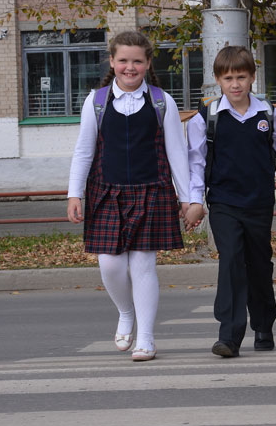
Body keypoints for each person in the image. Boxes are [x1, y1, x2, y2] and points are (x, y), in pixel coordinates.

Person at [185, 46, 276, 358]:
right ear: (217, 81)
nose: (235, 84)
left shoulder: (266, 113)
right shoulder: (206, 117)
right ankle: (230, 335)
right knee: (232, 261)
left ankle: (264, 324)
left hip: (259, 203)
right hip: (223, 202)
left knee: (259, 266)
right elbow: (195, 164)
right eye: (228, 78)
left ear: (252, 78)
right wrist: (195, 200)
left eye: (241, 77)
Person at [67, 30, 192, 362]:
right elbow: (83, 151)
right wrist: (74, 194)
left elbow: (177, 153)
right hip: (105, 192)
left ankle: (146, 339)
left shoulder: (161, 100)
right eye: (123, 60)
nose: (130, 67)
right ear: (112, 61)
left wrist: (189, 197)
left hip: (152, 190)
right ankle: (125, 312)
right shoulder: (96, 101)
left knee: (143, 267)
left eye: (137, 61)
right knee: (109, 265)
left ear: (148, 63)